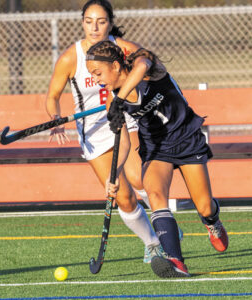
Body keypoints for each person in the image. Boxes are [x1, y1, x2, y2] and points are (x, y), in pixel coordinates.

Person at [85, 40, 229, 278]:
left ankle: (212, 221)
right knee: (155, 195)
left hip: (185, 137)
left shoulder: (147, 66)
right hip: (156, 147)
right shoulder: (113, 101)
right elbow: (124, 145)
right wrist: (115, 175)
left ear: (115, 65)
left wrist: (119, 98)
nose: (97, 79)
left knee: (204, 206)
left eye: (98, 73)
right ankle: (176, 262)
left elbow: (141, 67)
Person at [45, 0, 164, 263]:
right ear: (82, 22)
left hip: (126, 121)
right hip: (94, 133)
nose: (94, 27)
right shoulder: (70, 57)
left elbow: (151, 62)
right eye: (89, 21)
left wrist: (132, 84)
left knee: (139, 178)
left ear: (110, 22)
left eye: (101, 21)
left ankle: (165, 228)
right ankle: (152, 242)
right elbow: (52, 96)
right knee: (122, 196)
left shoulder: (121, 47)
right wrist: (56, 118)